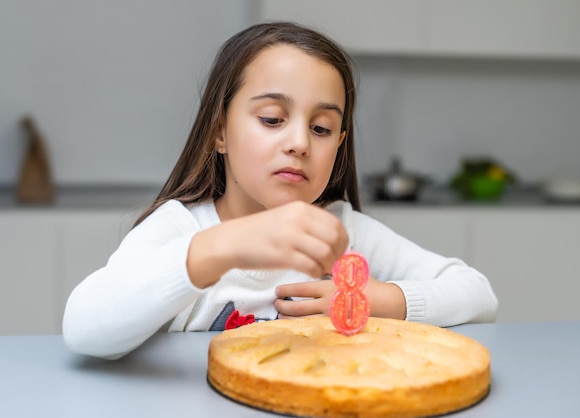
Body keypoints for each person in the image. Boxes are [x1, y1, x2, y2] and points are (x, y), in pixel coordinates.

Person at [63, 21, 498, 360]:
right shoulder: (179, 229)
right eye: (272, 119)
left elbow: (478, 294)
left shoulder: (344, 234)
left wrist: (376, 298)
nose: (299, 143)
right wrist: (218, 248)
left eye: (322, 127)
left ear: (339, 145)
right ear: (220, 131)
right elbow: (84, 328)